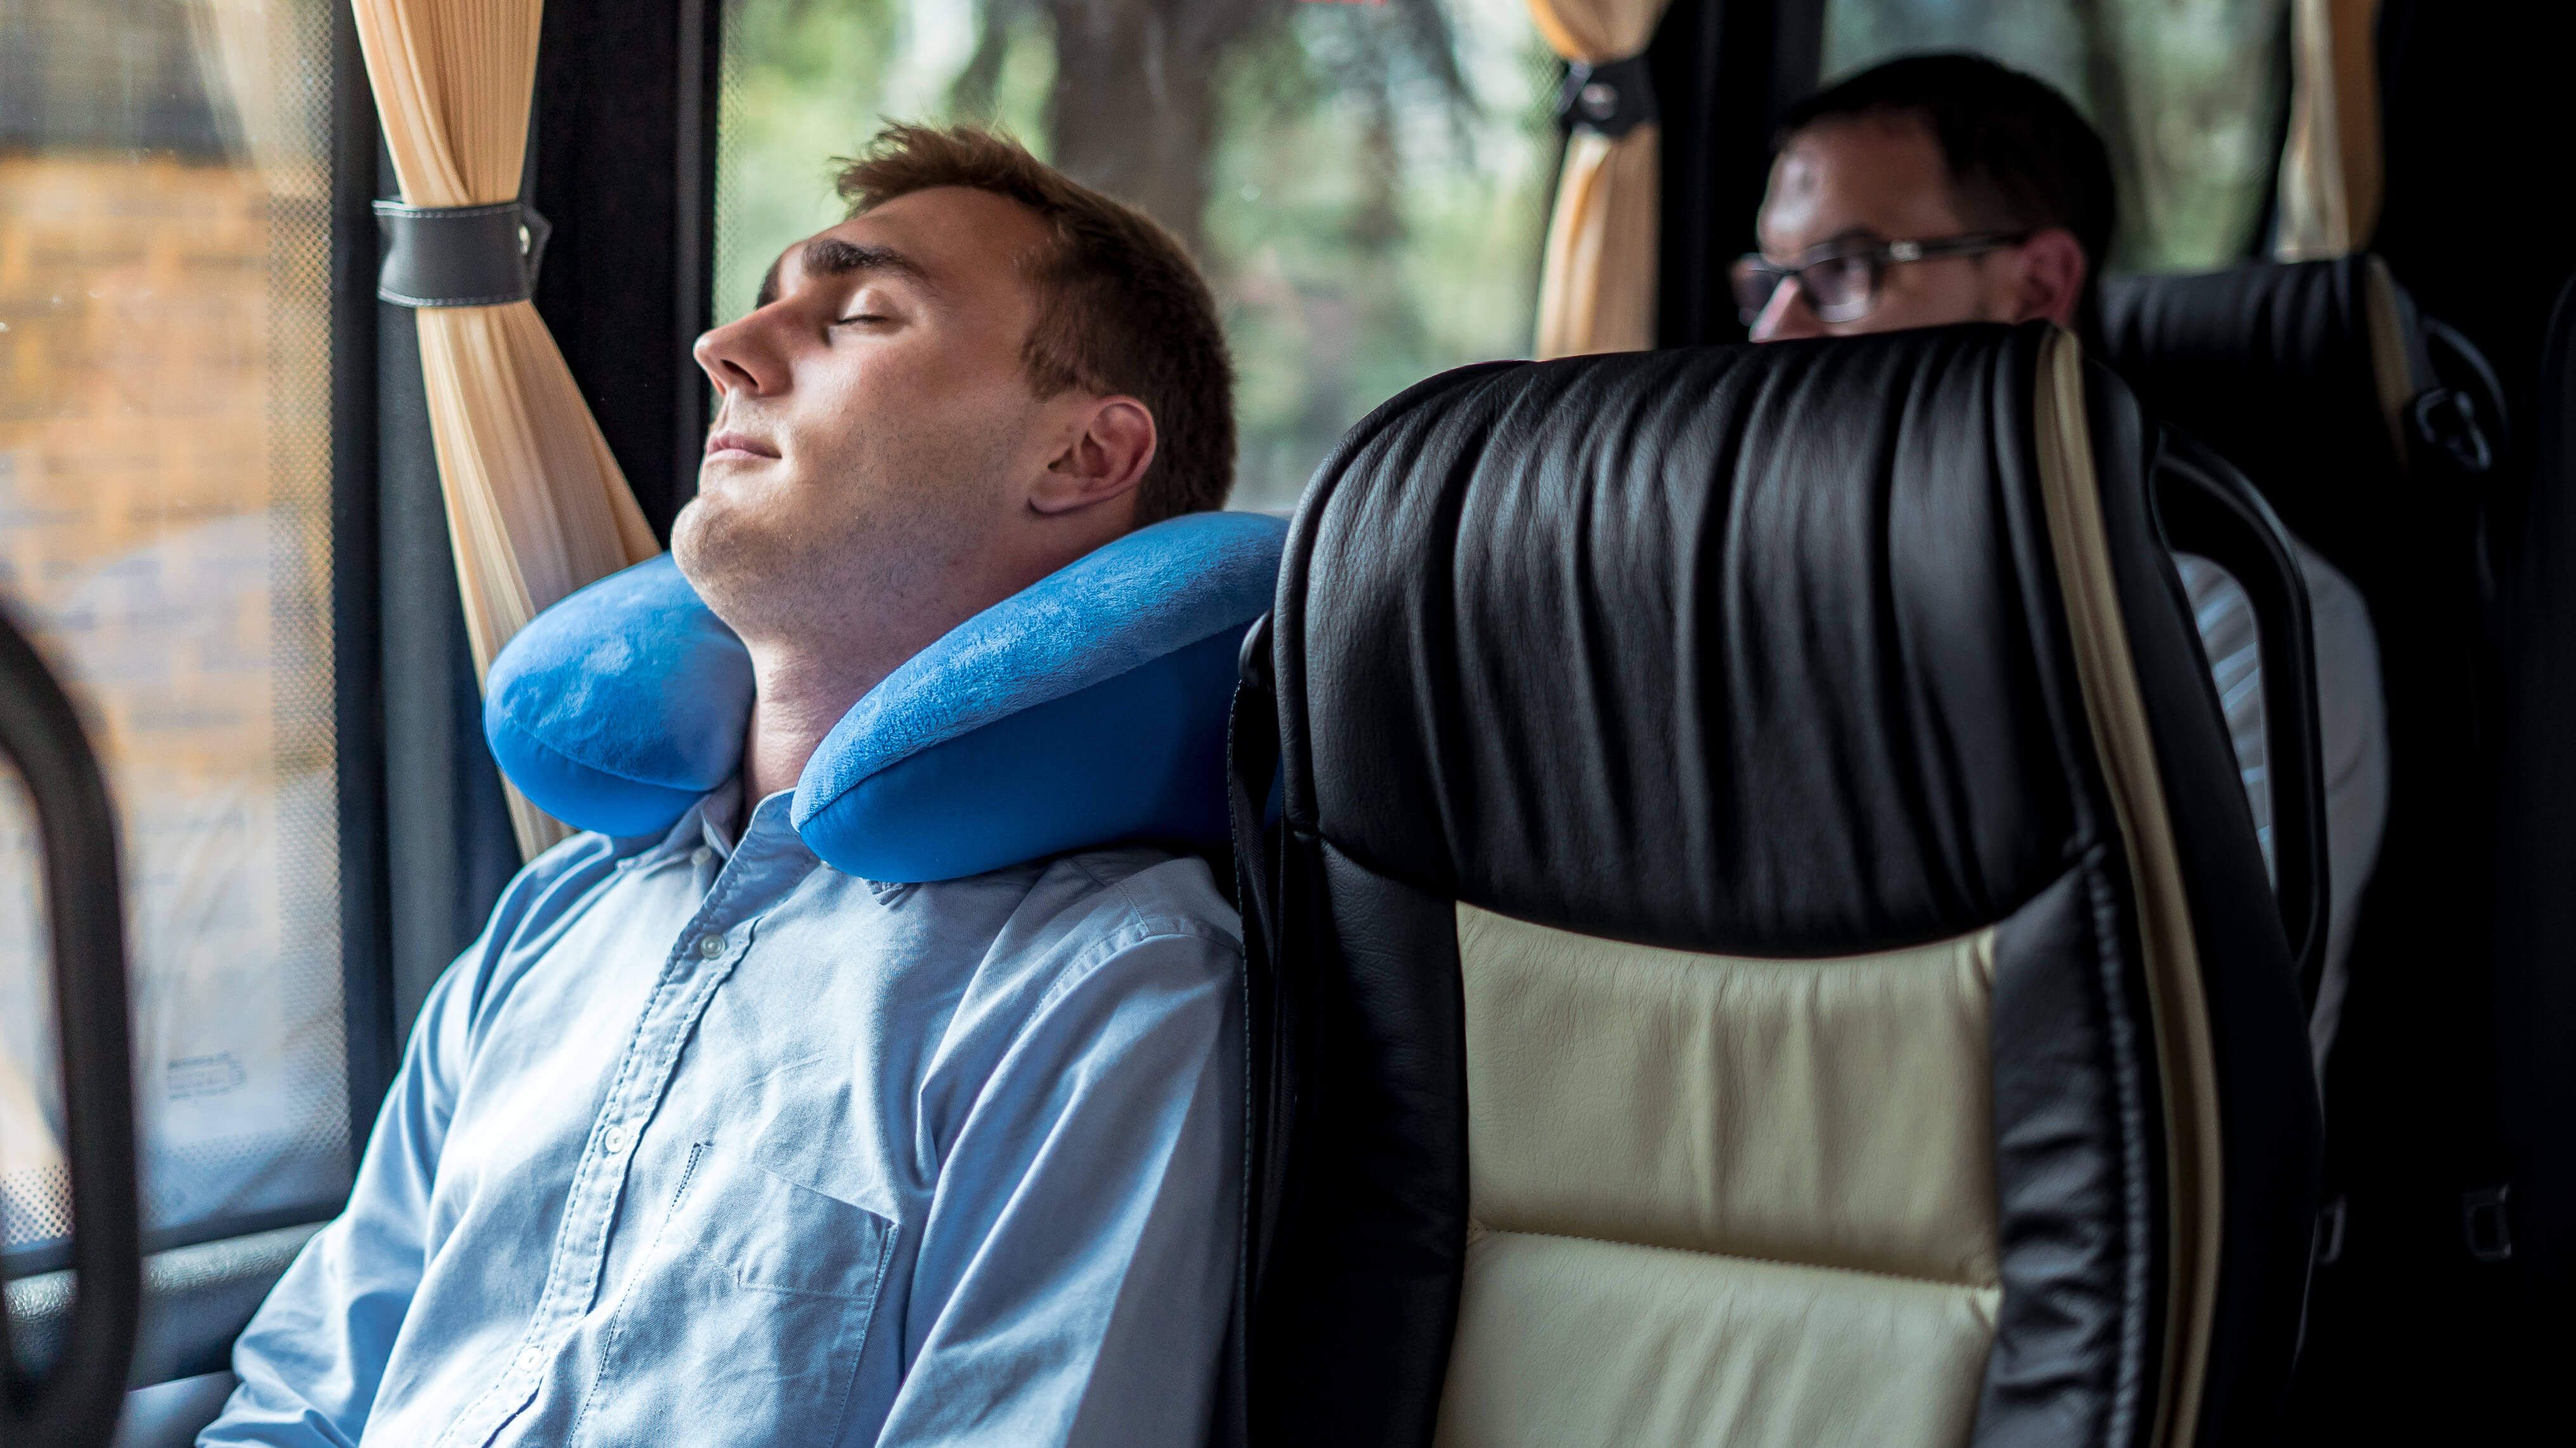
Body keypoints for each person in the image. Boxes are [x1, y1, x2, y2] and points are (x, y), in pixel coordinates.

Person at [202, 124, 1244, 1448]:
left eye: (860, 314)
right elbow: (300, 1400)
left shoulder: (1108, 990)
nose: (725, 349)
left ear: (1082, 459)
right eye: (764, 299)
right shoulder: (556, 918)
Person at [1734, 53, 2389, 1076]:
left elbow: (2198, 1066)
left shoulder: (2231, 613)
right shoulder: (1752, 587)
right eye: (1767, 282)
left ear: (2036, 284)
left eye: (1844, 271)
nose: (1775, 335)